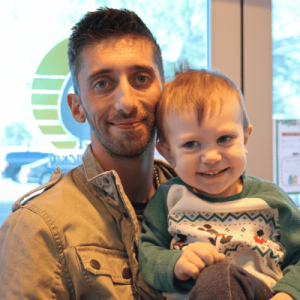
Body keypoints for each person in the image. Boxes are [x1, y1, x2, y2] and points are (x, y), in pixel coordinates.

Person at [0, 7, 177, 300]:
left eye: (141, 79)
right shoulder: (39, 227)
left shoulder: (205, 196)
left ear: (165, 92)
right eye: (103, 84)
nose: (126, 103)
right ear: (77, 107)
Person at [138, 69, 300, 300]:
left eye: (224, 139)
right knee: (217, 277)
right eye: (192, 144)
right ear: (168, 153)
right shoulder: (169, 198)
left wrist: (289, 293)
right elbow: (147, 253)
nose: (211, 157)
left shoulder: (272, 200)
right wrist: (174, 263)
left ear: (244, 139)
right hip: (196, 293)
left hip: (262, 294)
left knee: (222, 276)